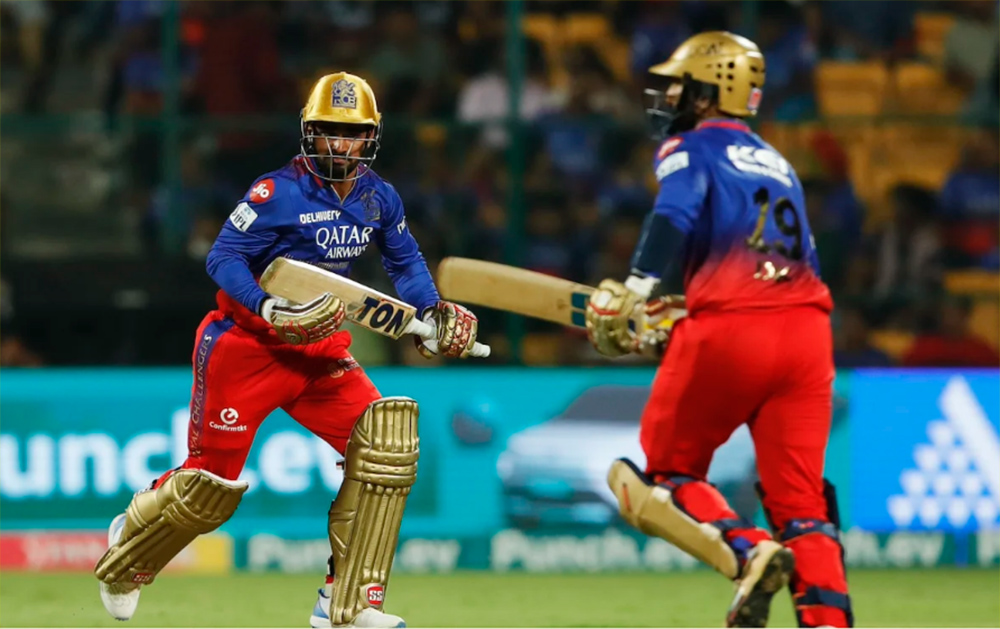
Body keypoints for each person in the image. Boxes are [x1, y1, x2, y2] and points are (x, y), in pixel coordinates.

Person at [93, 72, 482, 629]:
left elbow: (404, 262)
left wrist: (432, 312)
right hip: (247, 348)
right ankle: (130, 546)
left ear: (371, 137)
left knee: (384, 448)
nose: (339, 145)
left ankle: (346, 604)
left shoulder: (380, 197)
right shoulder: (275, 193)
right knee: (209, 488)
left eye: (352, 134)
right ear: (309, 132)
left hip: (318, 352)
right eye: (328, 132)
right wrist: (270, 307)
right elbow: (223, 258)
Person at [585, 33, 852, 628]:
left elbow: (675, 213)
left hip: (734, 331)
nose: (670, 97)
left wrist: (637, 287)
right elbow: (778, 261)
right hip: (808, 337)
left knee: (665, 475)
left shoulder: (691, 146)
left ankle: (748, 551)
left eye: (680, 86)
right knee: (803, 506)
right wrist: (688, 303)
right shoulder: (778, 162)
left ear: (710, 92)